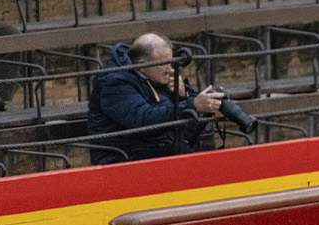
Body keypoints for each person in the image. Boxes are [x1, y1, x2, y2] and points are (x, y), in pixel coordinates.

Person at [86, 32, 225, 165]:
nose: (170, 70)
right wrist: (192, 105)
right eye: (163, 64)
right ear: (142, 66)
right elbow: (144, 120)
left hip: (154, 147)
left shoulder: (154, 76)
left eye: (171, 63)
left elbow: (185, 106)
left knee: (195, 147)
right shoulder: (114, 83)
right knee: (182, 153)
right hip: (121, 157)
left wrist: (183, 96)